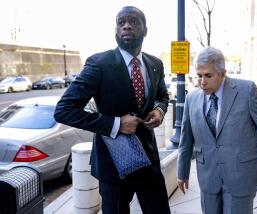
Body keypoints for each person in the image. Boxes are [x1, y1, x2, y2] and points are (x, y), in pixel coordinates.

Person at [54, 6, 171, 214]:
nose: (126, 26)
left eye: (133, 21)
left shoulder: (155, 64)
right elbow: (64, 110)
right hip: (113, 164)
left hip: (148, 161)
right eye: (121, 22)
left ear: (145, 30)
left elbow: (162, 96)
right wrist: (116, 124)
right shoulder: (99, 63)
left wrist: (159, 111)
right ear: (116, 30)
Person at [177, 46, 257, 214]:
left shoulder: (247, 91)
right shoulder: (191, 98)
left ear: (223, 73)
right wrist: (182, 172)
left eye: (208, 75)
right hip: (208, 176)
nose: (202, 82)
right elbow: (185, 140)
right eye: (199, 76)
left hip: (241, 176)